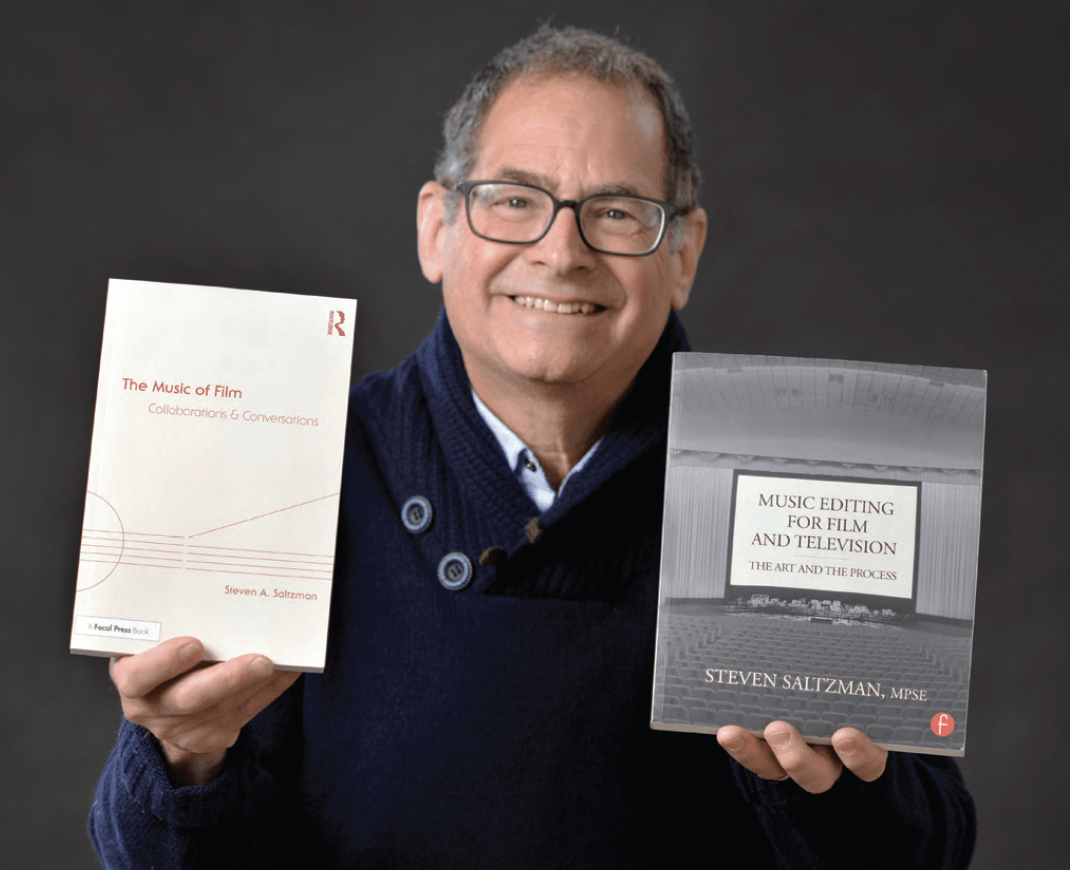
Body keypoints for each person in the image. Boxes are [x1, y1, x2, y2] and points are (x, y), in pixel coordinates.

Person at [89, 26, 975, 868]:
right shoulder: (292, 463)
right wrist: (181, 758)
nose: (560, 252)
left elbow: (929, 850)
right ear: (437, 228)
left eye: (618, 212)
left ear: (684, 254)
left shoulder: (801, 486)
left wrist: (838, 795)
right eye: (513, 200)